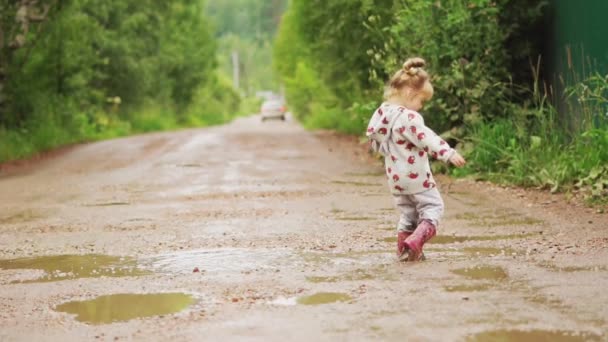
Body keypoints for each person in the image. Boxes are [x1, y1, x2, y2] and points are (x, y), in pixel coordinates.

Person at [366, 57, 466, 261]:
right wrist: (448, 152)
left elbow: (374, 139)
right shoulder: (409, 117)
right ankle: (415, 242)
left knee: (408, 215)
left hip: (395, 179)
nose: (421, 106)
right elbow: (426, 138)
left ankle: (405, 252)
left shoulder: (382, 113)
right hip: (417, 178)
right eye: (421, 100)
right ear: (410, 93)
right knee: (434, 208)